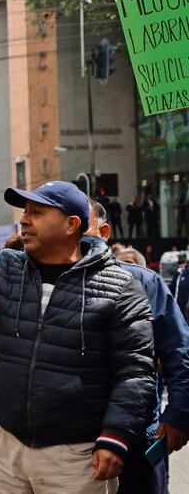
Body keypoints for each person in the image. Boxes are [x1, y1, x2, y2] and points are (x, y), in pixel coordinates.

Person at [0, 180, 155, 493]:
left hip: (76, 456)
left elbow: (135, 373)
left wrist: (116, 436)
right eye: (24, 211)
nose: (24, 219)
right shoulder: (7, 266)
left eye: (37, 212)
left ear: (71, 224)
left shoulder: (119, 287)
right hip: (6, 447)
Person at [88, 199, 189, 494]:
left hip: (136, 437)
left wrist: (179, 416)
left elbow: (178, 353)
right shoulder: (39, 283)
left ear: (103, 231)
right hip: (68, 442)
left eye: (83, 222)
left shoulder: (144, 282)